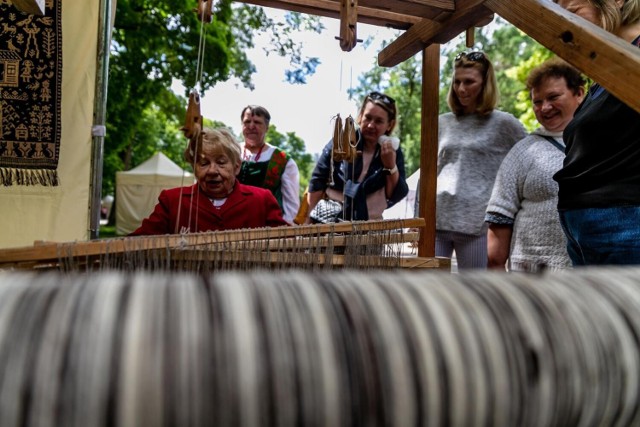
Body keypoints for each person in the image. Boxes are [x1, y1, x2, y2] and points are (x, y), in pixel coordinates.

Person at [552, 0, 640, 265]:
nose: (566, 25)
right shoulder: (604, 75)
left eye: (573, 12)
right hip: (583, 225)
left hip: (623, 219)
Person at [485, 58, 586, 272]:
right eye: (537, 101)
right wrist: (495, 275)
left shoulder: (604, 144)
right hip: (531, 279)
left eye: (553, 97)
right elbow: (499, 216)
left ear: (579, 93)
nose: (544, 107)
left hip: (587, 279)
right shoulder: (522, 152)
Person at [436, 51, 527, 270]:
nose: (461, 88)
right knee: (428, 295)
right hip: (436, 223)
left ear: (485, 83)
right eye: (457, 82)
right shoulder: (441, 122)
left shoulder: (505, 124)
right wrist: (417, 217)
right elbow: (430, 171)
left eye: (469, 82)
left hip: (478, 227)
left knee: (476, 296)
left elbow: (529, 161)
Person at [131, 128, 288, 235]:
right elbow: (137, 243)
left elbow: (287, 244)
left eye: (221, 162)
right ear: (194, 168)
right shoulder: (172, 201)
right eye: (204, 163)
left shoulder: (262, 200)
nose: (212, 171)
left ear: (237, 167)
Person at [304, 91, 409, 222]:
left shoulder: (394, 152)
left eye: (378, 121)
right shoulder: (341, 142)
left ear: (389, 125)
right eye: (368, 118)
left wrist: (390, 165)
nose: (371, 125)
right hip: (329, 223)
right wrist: (309, 220)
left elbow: (394, 194)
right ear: (360, 117)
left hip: (370, 228)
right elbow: (317, 181)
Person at [238, 105, 300, 224]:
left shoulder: (282, 159)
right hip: (233, 226)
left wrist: (286, 230)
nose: (251, 126)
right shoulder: (230, 153)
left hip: (268, 228)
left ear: (267, 128)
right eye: (247, 122)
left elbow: (291, 205)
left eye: (257, 122)